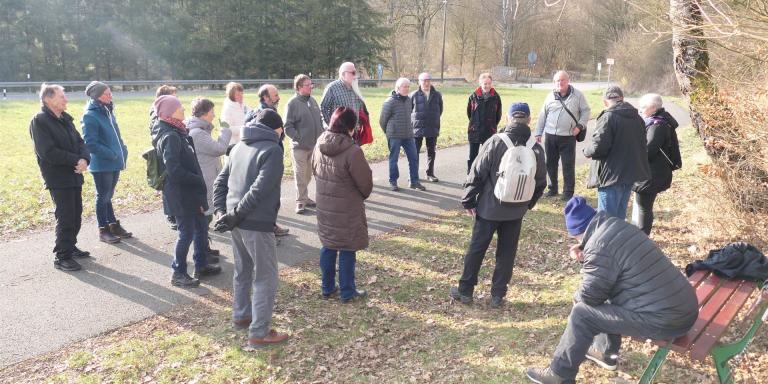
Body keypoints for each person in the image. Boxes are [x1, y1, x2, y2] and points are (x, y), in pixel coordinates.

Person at [525, 197, 698, 384]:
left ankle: (559, 374)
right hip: (683, 310)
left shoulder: (598, 246)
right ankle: (604, 352)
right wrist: (587, 257)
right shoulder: (617, 226)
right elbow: (607, 275)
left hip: (666, 321)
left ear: (578, 232)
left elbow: (589, 297)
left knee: (582, 313)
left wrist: (587, 262)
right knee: (603, 293)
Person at [450, 102, 545, 308]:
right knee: (507, 252)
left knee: (477, 248)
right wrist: (527, 205)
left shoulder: (496, 141)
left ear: (508, 118)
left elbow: (477, 172)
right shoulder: (536, 147)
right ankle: (498, 295)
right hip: (516, 210)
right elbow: (541, 182)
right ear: (529, 120)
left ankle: (465, 290)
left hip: (489, 208)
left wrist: (468, 199)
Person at [212, 109, 290, 348]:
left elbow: (219, 183)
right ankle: (259, 332)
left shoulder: (238, 147)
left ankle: (242, 315)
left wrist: (223, 213)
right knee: (266, 276)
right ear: (278, 129)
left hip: (236, 220)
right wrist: (230, 214)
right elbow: (260, 188)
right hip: (254, 222)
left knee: (243, 270)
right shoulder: (273, 150)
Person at [151, 95, 222, 287]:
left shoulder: (179, 131)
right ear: (169, 112)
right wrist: (197, 179)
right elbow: (174, 170)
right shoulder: (170, 136)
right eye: (178, 107)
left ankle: (201, 265)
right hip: (181, 194)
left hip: (191, 191)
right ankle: (178, 273)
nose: (183, 109)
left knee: (201, 227)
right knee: (186, 233)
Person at [312, 107, 373, 302]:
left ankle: (327, 287)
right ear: (350, 127)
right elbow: (365, 183)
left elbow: (314, 169)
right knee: (347, 247)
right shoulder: (353, 151)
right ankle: (348, 291)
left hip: (325, 204)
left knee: (329, 245)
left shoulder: (319, 143)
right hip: (347, 208)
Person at [30, 84, 91, 271]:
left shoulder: (65, 119)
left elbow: (80, 142)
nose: (66, 100)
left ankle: (70, 246)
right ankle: (62, 256)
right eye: (62, 96)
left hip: (74, 174)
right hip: (58, 177)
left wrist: (84, 159)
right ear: (48, 99)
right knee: (65, 216)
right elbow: (47, 152)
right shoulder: (39, 121)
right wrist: (76, 160)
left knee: (76, 214)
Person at [583, 86, 650, 220]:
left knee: (606, 219)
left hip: (611, 175)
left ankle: (608, 235)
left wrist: (586, 151)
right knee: (619, 217)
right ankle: (617, 235)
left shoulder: (608, 117)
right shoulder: (637, 118)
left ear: (605, 102)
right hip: (629, 174)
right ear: (622, 98)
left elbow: (598, 147)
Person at [81, 81, 131, 244]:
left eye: (110, 92)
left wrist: (123, 150)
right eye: (106, 94)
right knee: (103, 197)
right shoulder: (90, 115)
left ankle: (113, 225)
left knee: (108, 196)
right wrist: (111, 154)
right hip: (102, 165)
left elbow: (117, 135)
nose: (110, 96)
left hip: (114, 161)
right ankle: (103, 230)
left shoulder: (108, 111)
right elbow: (90, 143)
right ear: (97, 96)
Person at [534, 70, 591, 201]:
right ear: (554, 82)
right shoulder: (550, 96)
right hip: (550, 136)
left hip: (568, 136)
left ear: (568, 81)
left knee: (568, 165)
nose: (560, 83)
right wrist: (538, 132)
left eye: (562, 80)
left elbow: (586, 111)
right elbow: (543, 114)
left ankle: (568, 192)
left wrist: (580, 126)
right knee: (550, 164)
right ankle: (552, 189)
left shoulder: (578, 95)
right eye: (557, 81)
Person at [187, 98, 231, 262]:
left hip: (208, 175)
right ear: (204, 114)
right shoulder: (198, 133)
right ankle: (202, 253)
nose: (214, 115)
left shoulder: (200, 129)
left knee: (206, 217)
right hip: (206, 179)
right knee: (204, 218)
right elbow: (219, 149)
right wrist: (225, 131)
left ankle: (205, 248)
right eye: (212, 112)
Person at [631, 93, 679, 235]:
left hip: (651, 174)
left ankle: (642, 237)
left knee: (644, 207)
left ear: (653, 108)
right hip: (652, 172)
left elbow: (648, 151)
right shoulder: (657, 121)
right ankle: (640, 235)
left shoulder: (657, 125)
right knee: (643, 207)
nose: (640, 110)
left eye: (643, 107)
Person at [284, 74, 324, 214]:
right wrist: (299, 138)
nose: (310, 87)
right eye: (307, 85)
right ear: (299, 87)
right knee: (300, 174)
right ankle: (300, 201)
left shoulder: (313, 101)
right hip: (299, 147)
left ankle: (305, 197)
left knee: (307, 175)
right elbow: (287, 127)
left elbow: (319, 120)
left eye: (311, 84)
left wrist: (322, 133)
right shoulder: (292, 103)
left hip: (314, 146)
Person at [380, 78, 425, 191]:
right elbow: (382, 120)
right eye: (404, 86)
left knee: (414, 158)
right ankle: (393, 182)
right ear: (398, 88)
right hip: (394, 135)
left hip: (408, 135)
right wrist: (389, 132)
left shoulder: (409, 100)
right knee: (394, 159)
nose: (406, 89)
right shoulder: (389, 101)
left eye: (408, 86)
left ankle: (414, 182)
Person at [150, 85, 180, 230]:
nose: (177, 99)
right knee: (168, 184)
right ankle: (171, 214)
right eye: (173, 96)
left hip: (166, 149)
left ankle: (174, 213)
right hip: (163, 152)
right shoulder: (157, 114)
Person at [410, 72, 444, 182]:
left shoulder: (437, 95)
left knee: (431, 152)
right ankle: (414, 175)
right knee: (415, 153)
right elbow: (409, 111)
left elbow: (440, 110)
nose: (426, 83)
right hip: (417, 128)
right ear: (419, 82)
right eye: (424, 81)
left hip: (432, 126)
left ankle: (430, 174)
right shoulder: (413, 95)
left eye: (428, 80)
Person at [466, 73, 502, 172]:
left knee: (488, 157)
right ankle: (470, 176)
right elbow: (469, 113)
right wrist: (475, 123)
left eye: (489, 83)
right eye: (485, 84)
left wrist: (492, 125)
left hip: (489, 131)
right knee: (473, 156)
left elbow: (498, 115)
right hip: (475, 131)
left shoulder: (496, 97)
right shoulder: (473, 97)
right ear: (480, 84)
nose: (487, 86)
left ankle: (485, 177)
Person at [320, 62, 365, 126]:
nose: (355, 76)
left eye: (355, 72)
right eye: (353, 73)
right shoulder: (332, 88)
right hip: (338, 130)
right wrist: (331, 125)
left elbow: (360, 109)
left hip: (354, 130)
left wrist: (359, 123)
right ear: (343, 74)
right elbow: (323, 107)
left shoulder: (355, 88)